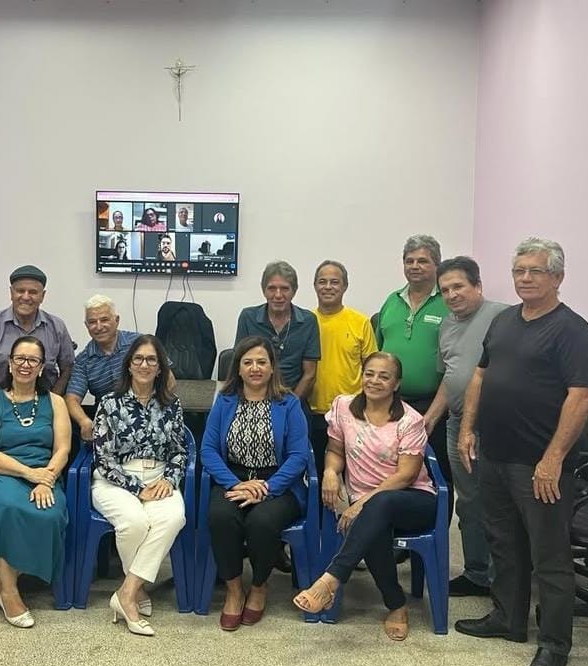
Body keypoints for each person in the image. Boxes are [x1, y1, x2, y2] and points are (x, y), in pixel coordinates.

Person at [454, 238, 588, 666]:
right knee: (504, 542)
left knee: (549, 556)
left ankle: (554, 644)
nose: (525, 278)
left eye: (536, 271)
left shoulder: (572, 330)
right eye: (519, 271)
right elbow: (480, 376)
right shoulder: (504, 321)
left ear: (558, 277)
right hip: (494, 454)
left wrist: (553, 459)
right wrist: (467, 429)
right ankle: (508, 618)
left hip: (539, 464)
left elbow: (581, 397)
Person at [293, 352, 435, 641]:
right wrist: (330, 472)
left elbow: (406, 475)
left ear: (396, 384)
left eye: (384, 376)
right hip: (368, 506)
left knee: (379, 505)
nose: (375, 381)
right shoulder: (344, 406)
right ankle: (396, 605)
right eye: (369, 374)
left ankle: (330, 580)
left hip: (412, 500)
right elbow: (335, 450)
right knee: (374, 525)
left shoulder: (410, 420)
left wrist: (361, 503)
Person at [202, 336, 310, 631]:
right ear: (238, 369)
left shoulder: (289, 403)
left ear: (272, 367)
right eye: (247, 362)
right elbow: (208, 450)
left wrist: (267, 488)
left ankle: (260, 585)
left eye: (262, 362)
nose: (255, 368)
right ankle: (235, 590)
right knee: (220, 516)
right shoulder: (224, 401)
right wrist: (234, 484)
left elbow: (299, 455)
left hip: (278, 482)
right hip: (233, 479)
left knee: (262, 521)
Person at [0, 336, 71, 628]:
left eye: (33, 360)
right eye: (20, 359)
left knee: (49, 515)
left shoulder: (56, 402)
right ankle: (11, 594)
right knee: (4, 508)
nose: (26, 365)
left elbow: (63, 449)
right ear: (10, 364)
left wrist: (46, 479)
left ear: (41, 367)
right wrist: (28, 473)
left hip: (45, 476)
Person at [420, 257, 508, 598]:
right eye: (445, 290)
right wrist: (430, 417)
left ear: (478, 286)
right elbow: (451, 376)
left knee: (497, 504)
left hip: (494, 425)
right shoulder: (446, 325)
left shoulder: (503, 318)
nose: (452, 295)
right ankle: (476, 573)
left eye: (458, 286)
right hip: (457, 423)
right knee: (468, 502)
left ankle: (504, 580)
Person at [91, 335, 187, 636]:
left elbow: (179, 452)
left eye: (151, 360)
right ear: (129, 365)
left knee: (173, 517)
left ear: (159, 368)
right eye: (139, 359)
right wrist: (136, 488)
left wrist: (169, 479)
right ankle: (136, 591)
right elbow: (103, 459)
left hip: (159, 478)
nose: (145, 365)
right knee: (134, 522)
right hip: (116, 479)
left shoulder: (171, 404)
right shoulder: (109, 402)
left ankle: (127, 591)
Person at [376, 235, 452, 519]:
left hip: (434, 406)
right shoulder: (392, 300)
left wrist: (432, 415)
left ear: (437, 265)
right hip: (393, 405)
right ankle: (399, 530)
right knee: (393, 471)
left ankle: (436, 537)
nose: (415, 266)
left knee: (437, 473)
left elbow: (455, 365)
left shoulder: (448, 302)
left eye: (423, 261)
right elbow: (379, 350)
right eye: (410, 261)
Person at [308, 260, 377, 478]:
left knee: (357, 477)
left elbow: (372, 368)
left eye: (334, 282)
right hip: (313, 412)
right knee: (318, 475)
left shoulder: (360, 322)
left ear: (345, 286)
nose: (328, 287)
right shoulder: (305, 322)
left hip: (353, 414)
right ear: (315, 286)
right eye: (322, 282)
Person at [0, 265, 76, 398]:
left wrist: (53, 402)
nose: (26, 297)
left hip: (45, 406)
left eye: (33, 292)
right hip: (0, 407)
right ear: (11, 293)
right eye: (20, 291)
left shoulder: (57, 328)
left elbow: (68, 369)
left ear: (42, 296)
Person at [235, 261, 320, 401]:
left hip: (294, 399)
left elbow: (309, 375)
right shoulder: (248, 317)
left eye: (285, 289)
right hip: (253, 398)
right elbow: (240, 364)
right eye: (272, 288)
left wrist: (289, 406)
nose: (278, 295)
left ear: (294, 291)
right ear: (264, 290)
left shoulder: (308, 321)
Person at [65, 295, 140, 442]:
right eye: (92, 322)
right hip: (108, 424)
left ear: (116, 320)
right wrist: (84, 421)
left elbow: (167, 379)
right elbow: (71, 399)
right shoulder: (83, 360)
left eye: (104, 320)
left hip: (145, 415)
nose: (99, 327)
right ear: (86, 325)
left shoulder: (139, 343)